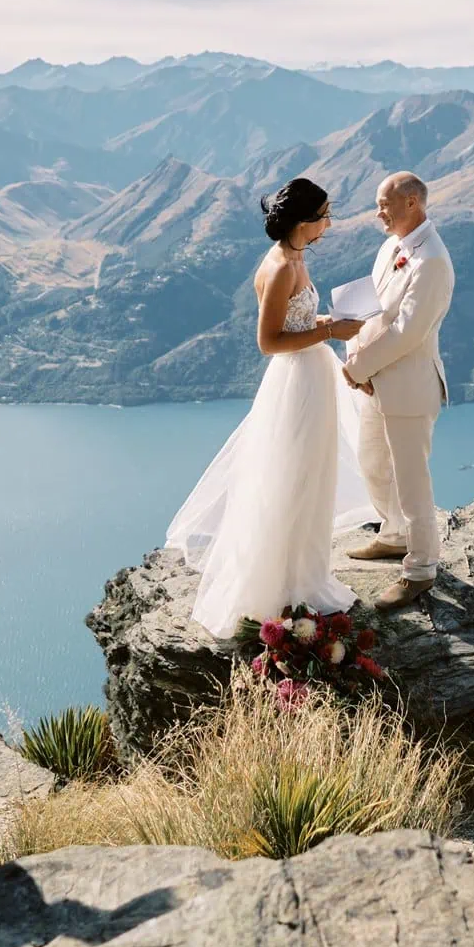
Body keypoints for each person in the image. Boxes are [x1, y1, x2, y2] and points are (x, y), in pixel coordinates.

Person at [165, 177, 376, 637]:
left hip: (311, 376)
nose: (329, 222)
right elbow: (268, 341)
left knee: (313, 475)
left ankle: (304, 575)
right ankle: (281, 584)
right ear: (304, 222)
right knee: (293, 477)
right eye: (325, 215)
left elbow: (292, 321)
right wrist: (328, 333)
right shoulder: (281, 266)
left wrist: (323, 322)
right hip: (296, 383)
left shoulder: (297, 256)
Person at [342, 172, 456, 611]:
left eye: (384, 204)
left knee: (412, 480)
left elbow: (409, 333)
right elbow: (371, 306)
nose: (378, 213)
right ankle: (392, 535)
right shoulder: (391, 247)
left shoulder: (433, 262)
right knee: (372, 462)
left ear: (412, 203)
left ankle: (421, 570)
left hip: (408, 387)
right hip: (374, 381)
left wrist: (358, 366)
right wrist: (353, 351)